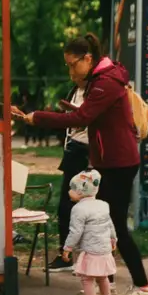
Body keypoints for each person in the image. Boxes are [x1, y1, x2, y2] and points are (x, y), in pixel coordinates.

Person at [11, 32, 148, 295]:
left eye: (72, 64)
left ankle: (143, 287)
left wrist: (38, 117)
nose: (70, 71)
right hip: (108, 160)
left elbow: (83, 117)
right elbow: (88, 116)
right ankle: (106, 285)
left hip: (119, 162)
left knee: (115, 226)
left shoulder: (106, 82)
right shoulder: (100, 80)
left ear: (88, 58)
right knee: (105, 224)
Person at [46, 77, 90, 273]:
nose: (72, 73)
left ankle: (95, 256)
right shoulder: (75, 90)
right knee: (66, 205)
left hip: (87, 151)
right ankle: (66, 254)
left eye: (74, 66)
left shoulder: (96, 91)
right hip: (73, 148)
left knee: (89, 206)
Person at [62, 168, 118, 295]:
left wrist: (67, 248)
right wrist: (113, 239)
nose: (69, 191)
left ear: (80, 192)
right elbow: (110, 224)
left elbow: (76, 231)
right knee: (103, 276)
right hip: (104, 248)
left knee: (87, 278)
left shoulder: (78, 209)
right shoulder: (103, 205)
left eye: (72, 189)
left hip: (90, 249)